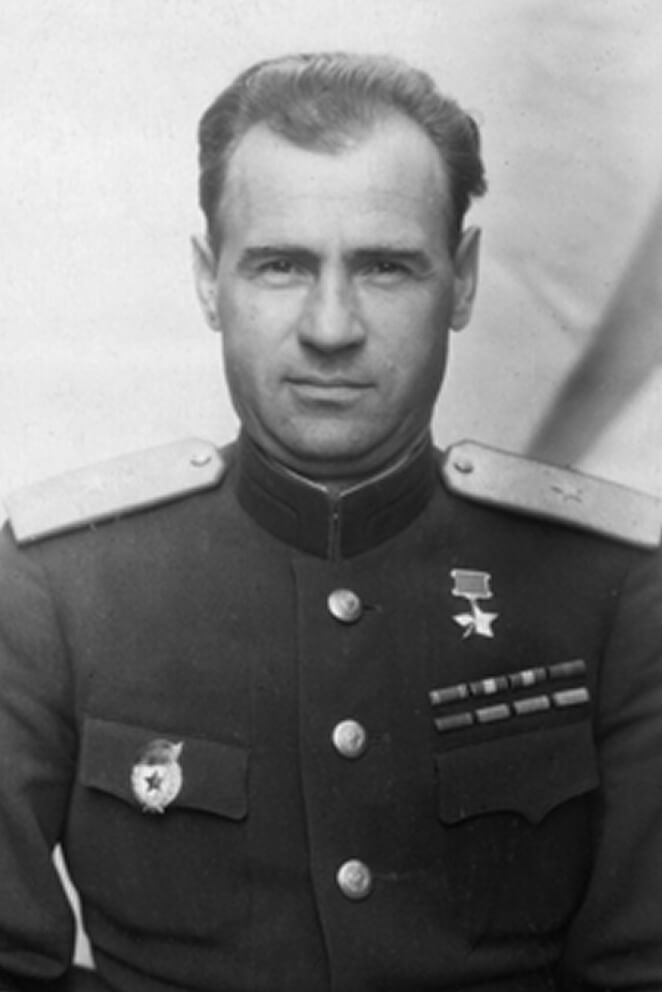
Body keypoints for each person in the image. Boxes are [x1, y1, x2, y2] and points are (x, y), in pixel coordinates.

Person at [1, 51, 661, 992]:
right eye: (280, 266)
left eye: (386, 268)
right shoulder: (54, 588)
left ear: (464, 281)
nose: (331, 327)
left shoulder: (618, 590)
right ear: (209, 282)